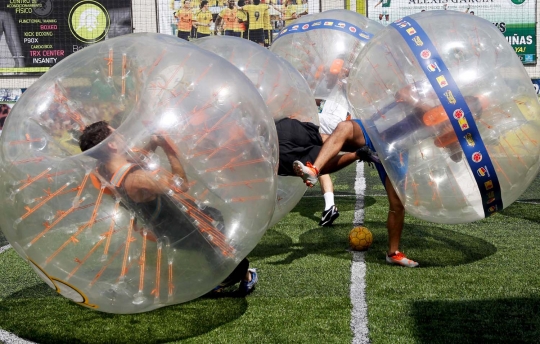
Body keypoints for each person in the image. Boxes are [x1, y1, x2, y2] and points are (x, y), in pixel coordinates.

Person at [78, 121, 258, 295]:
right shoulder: (138, 179)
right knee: (224, 247)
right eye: (117, 133)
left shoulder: (104, 171)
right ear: (112, 146)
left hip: (167, 231)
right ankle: (235, 277)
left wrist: (152, 144)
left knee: (215, 247)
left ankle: (223, 274)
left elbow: (132, 161)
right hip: (190, 226)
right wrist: (169, 150)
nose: (122, 134)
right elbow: (181, 185)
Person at [289, 117, 420, 267]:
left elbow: (449, 147)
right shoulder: (424, 95)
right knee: (344, 127)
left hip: (398, 146)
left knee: (397, 204)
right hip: (375, 128)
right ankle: (314, 170)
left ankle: (393, 253)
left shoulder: (446, 109)